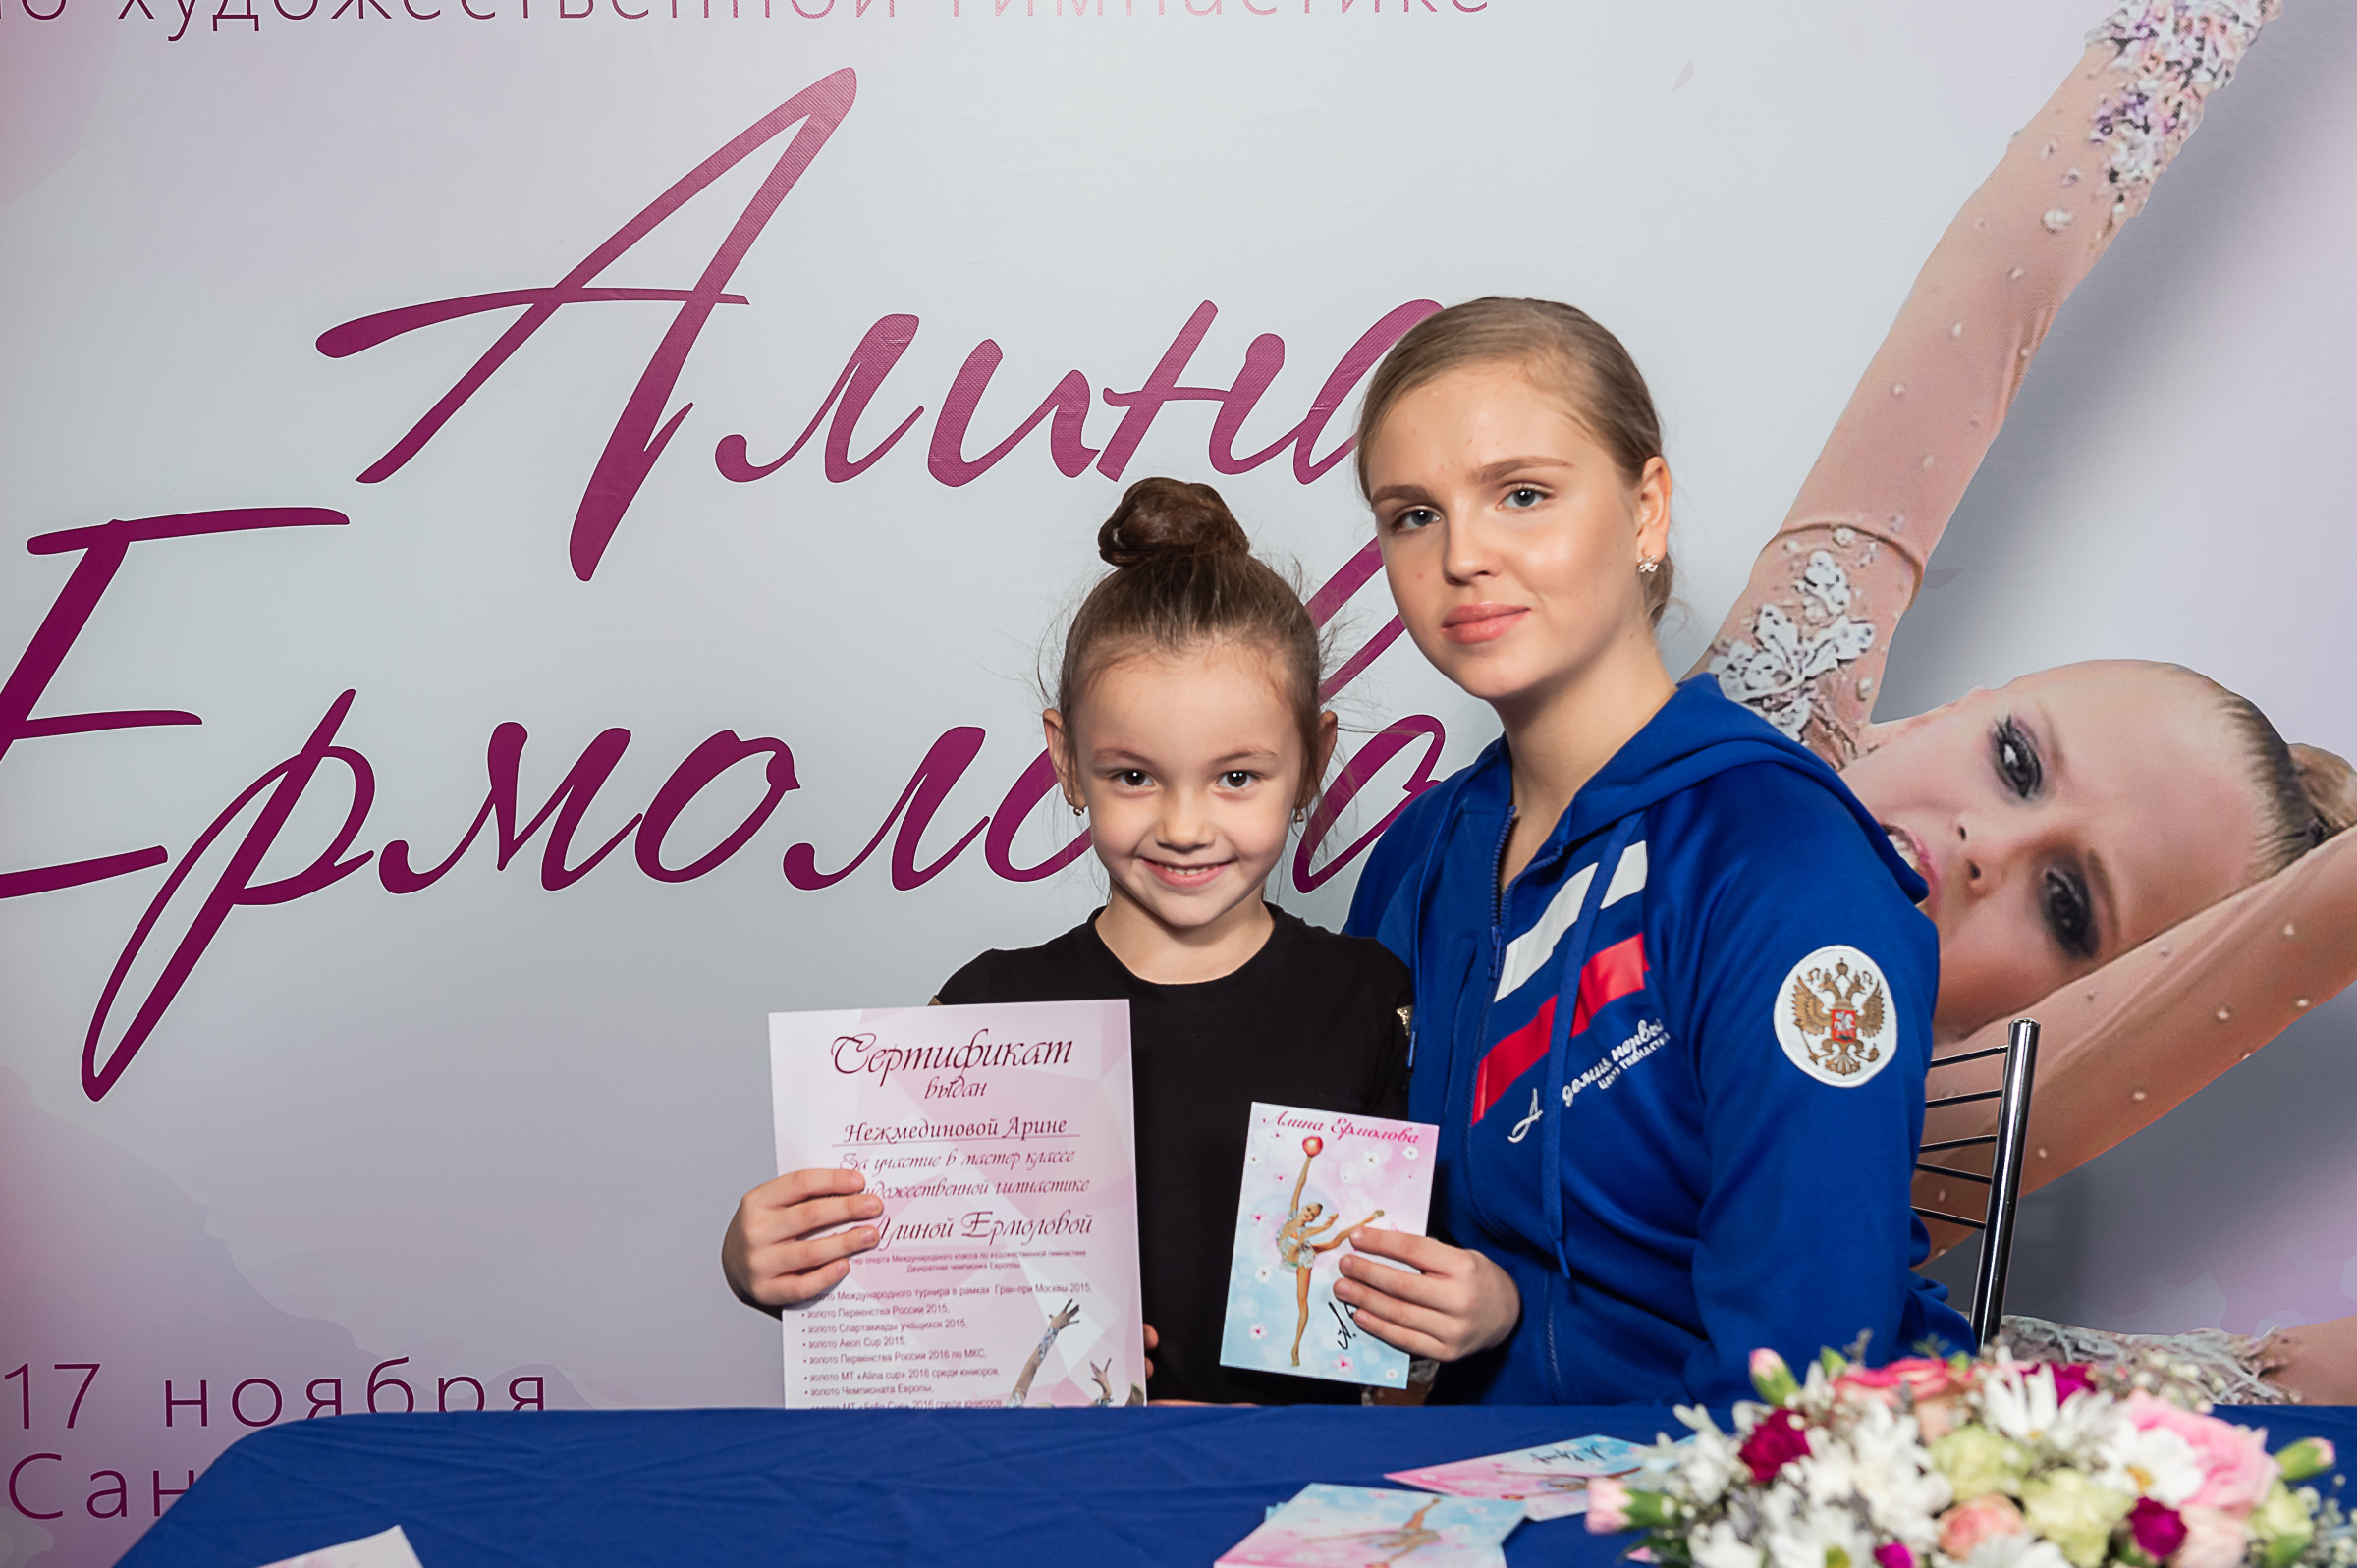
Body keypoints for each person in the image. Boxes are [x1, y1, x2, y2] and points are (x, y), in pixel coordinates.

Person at [1676, 0, 2357, 1404]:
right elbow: (1992, 292)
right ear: (1929, 712)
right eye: (2013, 760)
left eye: (2066, 909)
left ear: (2113, 1013)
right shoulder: (1744, 754)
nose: (1988, 844)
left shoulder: (1927, 1131)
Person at [1331, 297, 1970, 1407]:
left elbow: (1805, 1368)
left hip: (1711, 1495)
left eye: (1521, 494)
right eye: (1412, 515)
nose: (1463, 555)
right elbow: (1338, 1254)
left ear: (1645, 510)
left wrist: (1518, 1334)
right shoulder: (1419, 856)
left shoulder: (1782, 866)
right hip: (1440, 1482)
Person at [722, 476, 1413, 1404]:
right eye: (1134, 774)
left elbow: (1395, 1336)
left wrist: (1439, 1322)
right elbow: (900, 1291)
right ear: (1065, 760)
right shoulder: (985, 1011)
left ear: (1313, 761)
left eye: (1237, 776)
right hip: (1047, 1503)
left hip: (1285, 1507)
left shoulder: (1368, 1000)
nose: (1183, 824)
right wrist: (762, 1260)